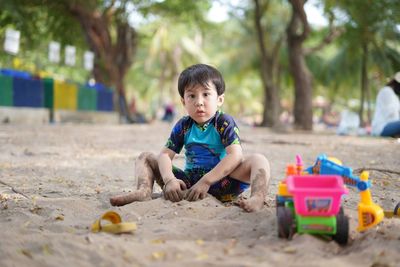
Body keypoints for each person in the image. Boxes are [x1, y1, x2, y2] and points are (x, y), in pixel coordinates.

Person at [110, 63, 270, 212]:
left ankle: (257, 197)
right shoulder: (184, 125)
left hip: (223, 182)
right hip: (188, 184)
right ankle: (143, 191)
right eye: (192, 96)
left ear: (220, 99)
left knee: (258, 159)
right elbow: (165, 155)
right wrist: (169, 180)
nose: (199, 102)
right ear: (183, 101)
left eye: (206, 94)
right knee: (146, 157)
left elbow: (235, 155)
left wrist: (207, 181)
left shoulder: (223, 122)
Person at [371, 72, 400, 137]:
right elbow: (390, 112)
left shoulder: (395, 96)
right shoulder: (386, 91)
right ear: (395, 83)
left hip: (391, 126)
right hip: (382, 127)